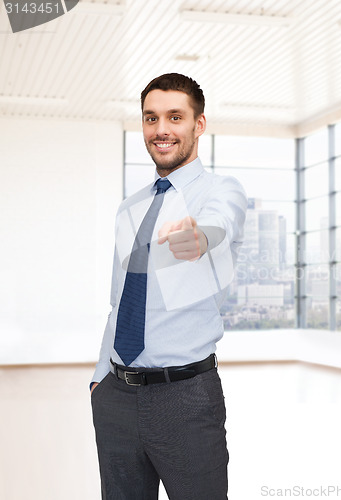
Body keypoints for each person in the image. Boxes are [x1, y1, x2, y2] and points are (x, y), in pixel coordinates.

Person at [90, 73, 247, 499]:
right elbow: (119, 300)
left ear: (199, 125)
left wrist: (199, 236)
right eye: (151, 118)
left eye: (175, 117)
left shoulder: (220, 190)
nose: (161, 129)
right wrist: (99, 377)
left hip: (185, 400)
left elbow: (221, 222)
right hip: (116, 398)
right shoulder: (130, 208)